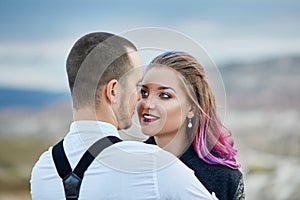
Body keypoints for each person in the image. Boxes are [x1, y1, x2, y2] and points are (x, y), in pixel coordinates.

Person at [30, 33, 217, 200]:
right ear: (113, 91)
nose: (138, 99)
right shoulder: (154, 165)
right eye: (137, 87)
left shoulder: (43, 169)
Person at [137, 51, 245, 200]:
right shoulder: (129, 164)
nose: (147, 104)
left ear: (191, 108)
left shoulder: (223, 176)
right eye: (144, 92)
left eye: (165, 95)